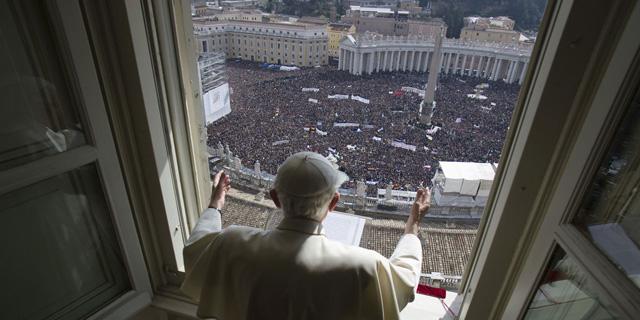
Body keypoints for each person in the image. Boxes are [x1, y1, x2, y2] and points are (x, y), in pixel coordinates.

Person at [181, 151, 431, 320]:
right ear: (333, 203)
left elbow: (195, 250)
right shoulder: (365, 266)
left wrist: (215, 206)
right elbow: (405, 281)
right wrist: (412, 228)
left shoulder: (231, 243)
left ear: (275, 198)